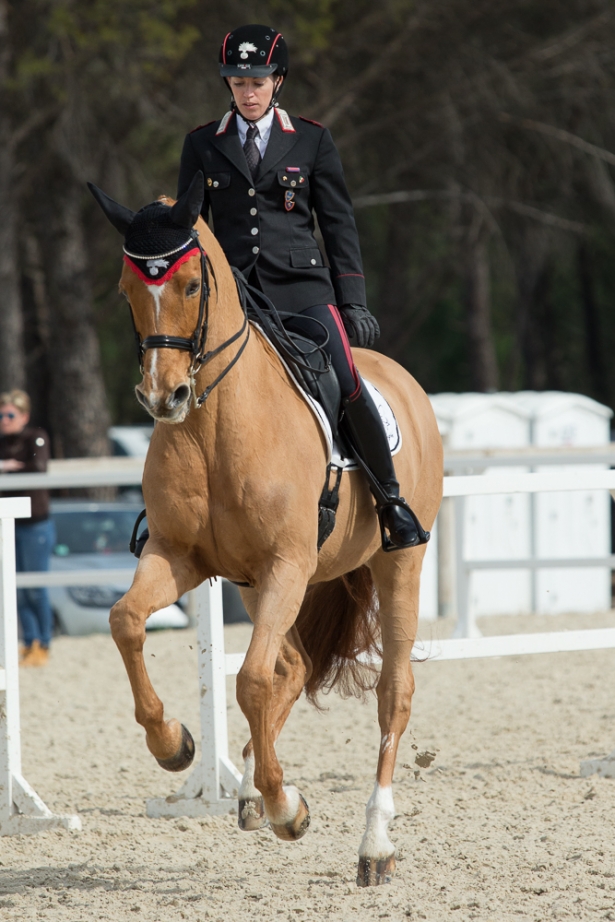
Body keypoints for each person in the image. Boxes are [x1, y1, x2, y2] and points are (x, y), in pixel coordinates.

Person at [177, 24, 426, 550]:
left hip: (302, 289)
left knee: (346, 378)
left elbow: (338, 223)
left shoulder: (311, 139)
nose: (247, 91)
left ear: (278, 80)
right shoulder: (201, 143)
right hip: (237, 297)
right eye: (237, 81)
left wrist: (352, 299)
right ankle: (174, 505)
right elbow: (190, 227)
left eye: (257, 81)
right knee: (184, 379)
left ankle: (392, 502)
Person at [0, 390, 54, 666]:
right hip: (8, 526)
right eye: (1, 415)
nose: (4, 420)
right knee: (15, 587)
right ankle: (28, 639)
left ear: (24, 416)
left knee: (36, 587)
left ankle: (43, 642)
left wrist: (8, 469)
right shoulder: (2, 443)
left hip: (35, 525)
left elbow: (38, 467)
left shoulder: (36, 436)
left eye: (10, 415)